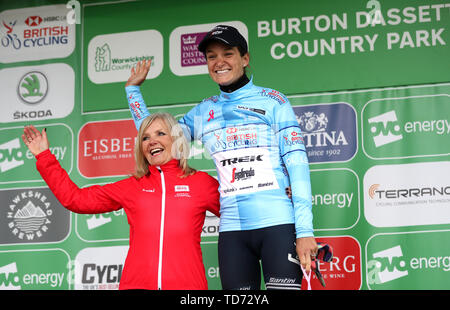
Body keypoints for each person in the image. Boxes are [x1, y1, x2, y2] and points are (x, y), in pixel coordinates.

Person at [125, 25, 317, 290]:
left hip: (278, 223)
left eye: (227, 53)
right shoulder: (204, 111)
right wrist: (133, 92)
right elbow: (158, 138)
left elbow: (297, 164)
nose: (219, 62)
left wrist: (305, 230)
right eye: (212, 56)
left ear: (245, 59)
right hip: (232, 232)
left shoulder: (274, 101)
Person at [21, 113, 220, 290]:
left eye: (160, 134)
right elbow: (76, 199)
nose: (152, 141)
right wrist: (44, 156)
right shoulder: (133, 186)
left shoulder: (202, 183)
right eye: (145, 137)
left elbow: (242, 219)